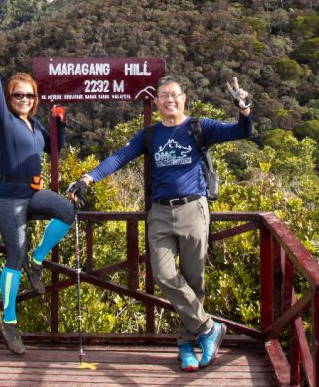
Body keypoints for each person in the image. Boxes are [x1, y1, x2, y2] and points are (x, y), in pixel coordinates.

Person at [67, 74, 253, 372]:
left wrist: (243, 108)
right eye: (163, 95)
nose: (169, 99)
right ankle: (208, 329)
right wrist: (88, 177)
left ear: (183, 98)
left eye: (174, 94)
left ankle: (185, 346)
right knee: (165, 275)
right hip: (160, 214)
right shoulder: (150, 135)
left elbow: (242, 132)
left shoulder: (199, 127)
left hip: (194, 209)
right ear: (156, 102)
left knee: (194, 281)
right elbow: (120, 157)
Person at [0, 23, 75, 356]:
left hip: (32, 194)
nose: (24, 100)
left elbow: (53, 150)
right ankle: (9, 320)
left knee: (67, 210)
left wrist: (60, 125)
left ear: (35, 99)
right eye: (18, 95)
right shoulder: (5, 119)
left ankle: (38, 260)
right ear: (11, 98)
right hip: (8, 197)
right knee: (14, 253)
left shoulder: (36, 126)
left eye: (29, 96)